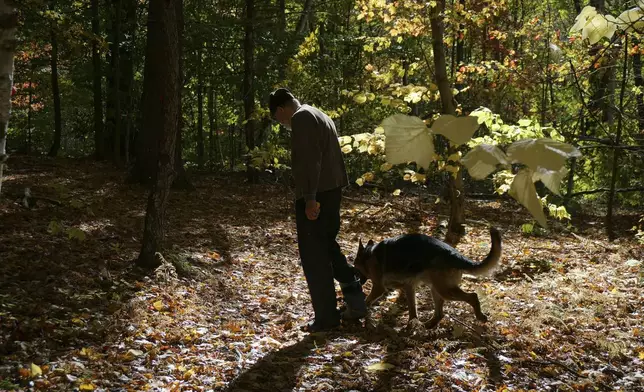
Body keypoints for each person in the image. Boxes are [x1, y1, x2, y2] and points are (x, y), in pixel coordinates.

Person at [269, 88, 367, 332]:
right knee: (327, 247)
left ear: (281, 109)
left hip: (317, 195)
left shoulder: (301, 117)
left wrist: (310, 198)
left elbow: (309, 161)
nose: (282, 124)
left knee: (315, 258)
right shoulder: (320, 114)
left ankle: (326, 316)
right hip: (331, 192)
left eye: (277, 118)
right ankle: (354, 295)